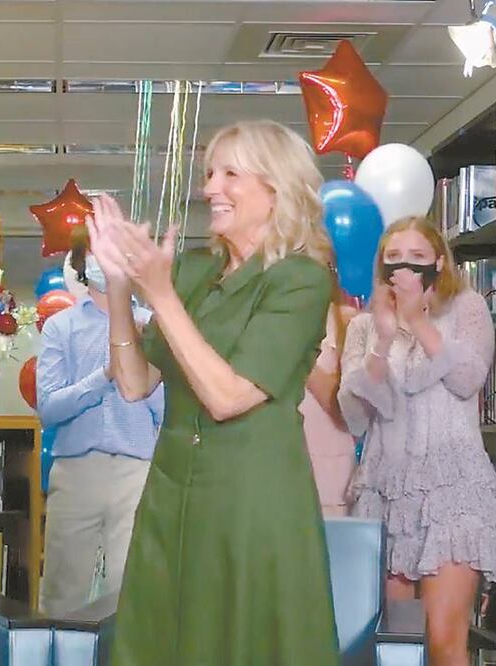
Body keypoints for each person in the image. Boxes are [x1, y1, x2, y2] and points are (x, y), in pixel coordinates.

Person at [87, 119, 340, 665]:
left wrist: (160, 294)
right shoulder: (194, 271)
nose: (209, 189)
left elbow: (228, 398)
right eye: (208, 174)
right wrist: (119, 286)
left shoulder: (300, 280)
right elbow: (133, 383)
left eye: (230, 174)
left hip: (251, 503)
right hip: (171, 492)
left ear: (275, 188)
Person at [338, 215, 496, 666]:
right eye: (394, 257)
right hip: (386, 492)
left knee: (443, 639)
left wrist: (418, 321)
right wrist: (383, 340)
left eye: (417, 256)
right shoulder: (363, 326)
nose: (405, 267)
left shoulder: (467, 308)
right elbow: (355, 415)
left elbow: (467, 379)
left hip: (452, 490)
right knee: (390, 645)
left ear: (438, 261)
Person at [35, 244, 164, 617]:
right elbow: (49, 409)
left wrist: (141, 371)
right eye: (99, 253)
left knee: (131, 590)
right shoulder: (62, 326)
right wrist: (105, 375)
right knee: (63, 591)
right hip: (76, 471)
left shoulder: (153, 325)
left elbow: (166, 410)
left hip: (137, 470)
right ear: (82, 265)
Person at [300, 300, 359, 516]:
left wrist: (298, 354)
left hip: (329, 484)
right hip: (271, 475)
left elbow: (348, 412)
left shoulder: (347, 321)